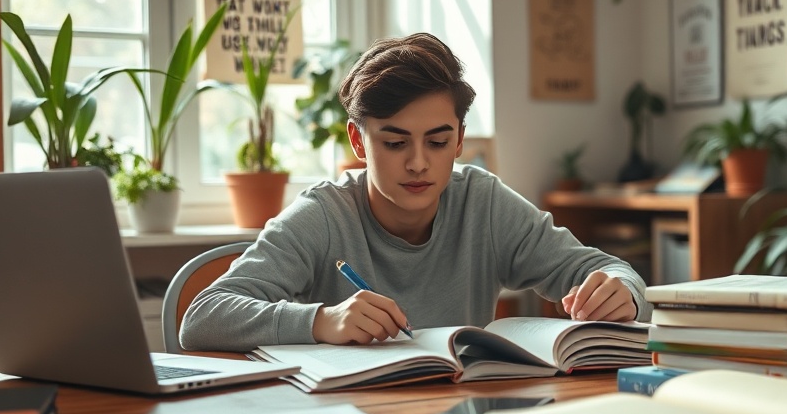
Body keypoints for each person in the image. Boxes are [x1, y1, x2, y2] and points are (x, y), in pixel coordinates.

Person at [180, 32, 650, 351]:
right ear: (359, 141)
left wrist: (621, 291)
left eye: (438, 141)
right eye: (395, 141)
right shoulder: (323, 215)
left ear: (460, 141)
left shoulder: (482, 203)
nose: (419, 162)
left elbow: (608, 269)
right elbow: (202, 317)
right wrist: (321, 321)